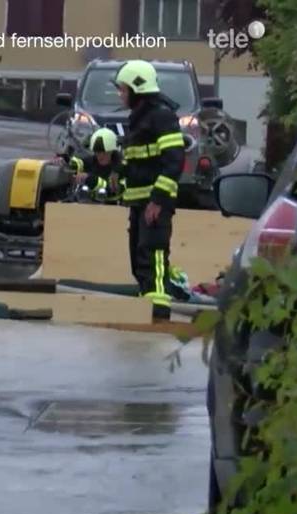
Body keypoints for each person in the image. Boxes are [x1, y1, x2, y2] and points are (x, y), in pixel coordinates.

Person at [113, 60, 186, 320]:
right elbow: (137, 162)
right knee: (138, 256)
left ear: (137, 89)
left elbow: (175, 161)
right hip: (138, 202)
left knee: (153, 252)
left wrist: (157, 200)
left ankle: (158, 306)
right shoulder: (139, 118)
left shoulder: (162, 117)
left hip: (155, 203)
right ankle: (146, 299)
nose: (120, 94)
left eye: (123, 89)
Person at [54, 127, 122, 202]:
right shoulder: (93, 160)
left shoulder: (121, 168)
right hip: (88, 208)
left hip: (113, 209)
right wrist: (65, 159)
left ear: (111, 151)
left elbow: (114, 191)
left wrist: (89, 179)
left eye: (103, 152)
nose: (100, 156)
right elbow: (80, 162)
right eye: (97, 152)